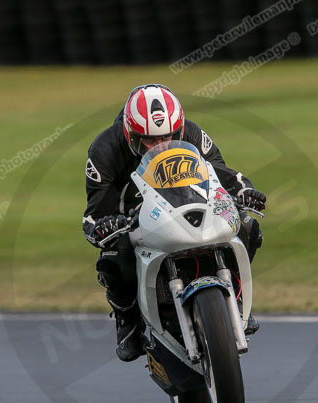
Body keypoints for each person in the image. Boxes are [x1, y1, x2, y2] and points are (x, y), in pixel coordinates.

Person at [82, 84, 266, 362]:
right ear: (131, 134)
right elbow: (94, 212)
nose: (160, 145)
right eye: (149, 140)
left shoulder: (191, 132)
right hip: (135, 216)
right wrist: (103, 226)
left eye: (166, 136)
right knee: (113, 256)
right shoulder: (104, 149)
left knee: (247, 226)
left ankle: (236, 295)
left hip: (188, 203)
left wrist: (245, 191)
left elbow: (221, 173)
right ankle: (127, 320)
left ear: (177, 128)